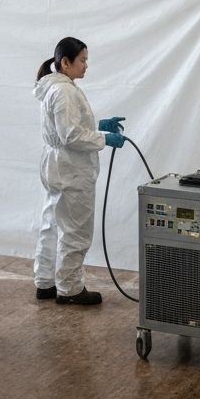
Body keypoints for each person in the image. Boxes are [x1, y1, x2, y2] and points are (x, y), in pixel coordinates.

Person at [33, 36, 125, 306]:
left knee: (52, 224)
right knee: (75, 229)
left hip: (55, 165)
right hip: (71, 169)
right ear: (65, 62)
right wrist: (103, 139)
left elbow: (66, 126)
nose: (86, 65)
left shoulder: (54, 88)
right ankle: (70, 288)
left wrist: (99, 125)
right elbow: (71, 135)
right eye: (82, 60)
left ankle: (45, 282)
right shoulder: (64, 91)